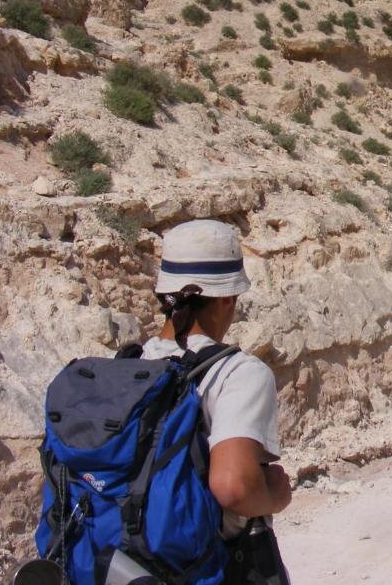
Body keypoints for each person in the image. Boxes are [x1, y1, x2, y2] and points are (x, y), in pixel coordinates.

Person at [143, 219, 293, 572]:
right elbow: (233, 487)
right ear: (227, 296)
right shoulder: (238, 373)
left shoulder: (132, 364)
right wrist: (276, 495)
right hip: (206, 565)